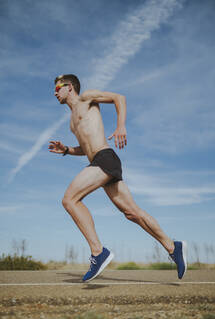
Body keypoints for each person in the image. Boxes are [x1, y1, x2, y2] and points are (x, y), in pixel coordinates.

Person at [48, 74, 187, 282]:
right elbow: (86, 149)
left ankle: (98, 252)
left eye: (58, 87)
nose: (55, 92)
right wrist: (67, 149)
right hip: (100, 162)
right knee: (132, 213)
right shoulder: (71, 122)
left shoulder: (86, 98)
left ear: (69, 87)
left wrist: (121, 126)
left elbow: (119, 98)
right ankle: (172, 246)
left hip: (105, 158)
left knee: (70, 199)